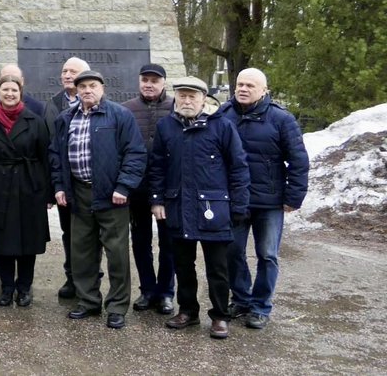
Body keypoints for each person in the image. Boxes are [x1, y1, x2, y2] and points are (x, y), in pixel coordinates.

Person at [149, 76, 250, 340]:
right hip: (178, 207)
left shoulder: (223, 127)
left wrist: (238, 207)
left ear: (204, 99)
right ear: (176, 98)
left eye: (192, 96)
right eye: (182, 95)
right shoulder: (166, 126)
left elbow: (238, 168)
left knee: (218, 267)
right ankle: (188, 311)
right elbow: (157, 166)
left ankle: (219, 316)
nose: (186, 100)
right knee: (182, 264)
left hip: (213, 209)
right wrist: (158, 199)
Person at [49, 70, 146, 330]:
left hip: (111, 194)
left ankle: (116, 307)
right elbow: (56, 155)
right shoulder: (65, 118)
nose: (87, 90)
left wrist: (124, 186)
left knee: (116, 254)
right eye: (82, 86)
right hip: (78, 194)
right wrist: (59, 186)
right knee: (82, 251)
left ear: (102, 88)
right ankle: (88, 300)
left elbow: (135, 154)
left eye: (92, 85)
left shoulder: (119, 115)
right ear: (76, 90)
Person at [220, 67, 310, 330]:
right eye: (240, 84)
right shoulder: (224, 115)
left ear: (263, 91)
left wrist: (293, 196)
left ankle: (260, 306)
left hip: (269, 202)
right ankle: (241, 299)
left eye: (250, 85)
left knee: (267, 255)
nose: (243, 89)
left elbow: (298, 161)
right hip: (235, 200)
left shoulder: (282, 119)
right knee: (232, 252)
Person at [0, 75, 52, 307]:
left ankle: (24, 288)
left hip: (28, 186)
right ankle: (6, 288)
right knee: (2, 241)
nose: (9, 94)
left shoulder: (35, 120)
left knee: (27, 241)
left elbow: (45, 157)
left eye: (13, 90)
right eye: (5, 90)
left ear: (20, 93)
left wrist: (47, 192)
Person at [121, 63, 177, 314]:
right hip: (138, 188)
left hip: (169, 188)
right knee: (140, 242)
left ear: (163, 82)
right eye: (145, 79)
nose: (149, 84)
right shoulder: (127, 110)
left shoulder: (176, 107)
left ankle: (166, 292)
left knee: (169, 243)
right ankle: (147, 289)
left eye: (155, 80)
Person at [44, 56, 90, 298]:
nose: (67, 75)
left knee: (91, 235)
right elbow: (49, 148)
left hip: (91, 184)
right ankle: (71, 277)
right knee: (69, 232)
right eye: (64, 71)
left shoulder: (99, 103)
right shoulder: (52, 104)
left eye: (73, 71)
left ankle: (89, 280)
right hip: (65, 183)